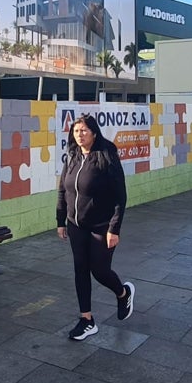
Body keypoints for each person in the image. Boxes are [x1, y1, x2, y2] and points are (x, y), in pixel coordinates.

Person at [56, 114, 134, 340]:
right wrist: (61, 221)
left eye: (84, 131)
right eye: (76, 131)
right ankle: (87, 319)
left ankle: (123, 292)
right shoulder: (72, 156)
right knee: (80, 270)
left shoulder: (106, 156)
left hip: (101, 226)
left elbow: (120, 196)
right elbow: (63, 190)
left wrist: (114, 229)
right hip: (75, 225)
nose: (79, 135)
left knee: (99, 270)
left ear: (94, 133)